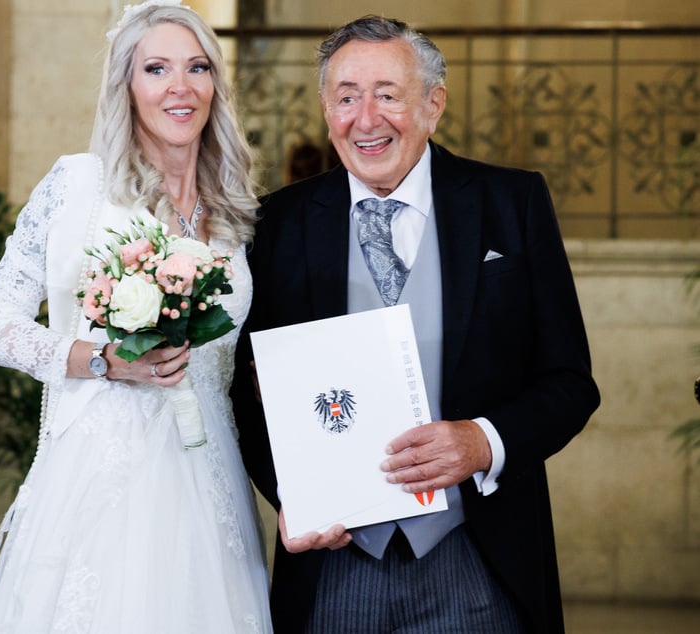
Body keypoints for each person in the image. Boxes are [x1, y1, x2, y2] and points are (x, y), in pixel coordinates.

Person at [231, 15, 600, 634]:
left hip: (478, 559)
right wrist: (288, 495)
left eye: (388, 95)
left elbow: (570, 383)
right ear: (326, 109)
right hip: (334, 567)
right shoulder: (276, 225)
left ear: (434, 104)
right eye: (346, 96)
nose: (365, 118)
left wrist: (484, 441)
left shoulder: (512, 203)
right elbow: (242, 387)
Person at [0, 2, 272, 632]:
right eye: (156, 68)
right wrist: (107, 361)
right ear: (126, 86)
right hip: (104, 478)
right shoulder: (79, 189)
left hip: (212, 471)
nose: (180, 87)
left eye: (196, 67)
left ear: (215, 83)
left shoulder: (237, 211)